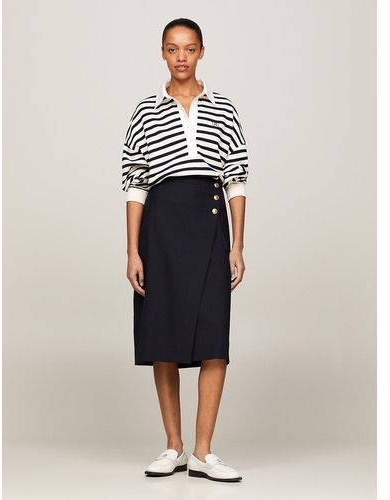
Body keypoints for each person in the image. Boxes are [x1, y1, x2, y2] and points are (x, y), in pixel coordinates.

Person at [121, 18, 248, 483]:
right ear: (162, 52)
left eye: (189, 49)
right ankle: (173, 447)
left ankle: (203, 452)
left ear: (201, 52)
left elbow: (236, 178)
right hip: (161, 230)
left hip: (210, 227)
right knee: (164, 336)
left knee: (214, 338)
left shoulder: (224, 108)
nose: (181, 57)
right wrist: (133, 251)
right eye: (173, 49)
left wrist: (237, 245)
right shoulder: (145, 111)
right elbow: (135, 184)